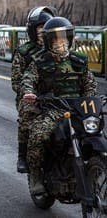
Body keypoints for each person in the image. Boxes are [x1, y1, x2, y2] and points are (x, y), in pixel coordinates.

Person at [21, 17, 97, 195]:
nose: (60, 42)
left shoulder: (79, 61)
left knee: (96, 131)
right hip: (53, 109)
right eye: (55, 39)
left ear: (69, 39)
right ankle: (35, 176)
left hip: (79, 109)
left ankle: (95, 168)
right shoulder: (40, 62)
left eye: (63, 38)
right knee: (38, 135)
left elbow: (90, 83)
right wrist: (29, 92)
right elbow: (28, 79)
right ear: (48, 41)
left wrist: (91, 99)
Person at [11, 6, 57, 173]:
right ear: (32, 30)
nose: (42, 31)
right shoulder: (24, 52)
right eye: (39, 27)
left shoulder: (59, 49)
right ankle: (23, 156)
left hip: (58, 97)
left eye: (45, 27)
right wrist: (29, 94)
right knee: (26, 115)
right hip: (32, 98)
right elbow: (16, 81)